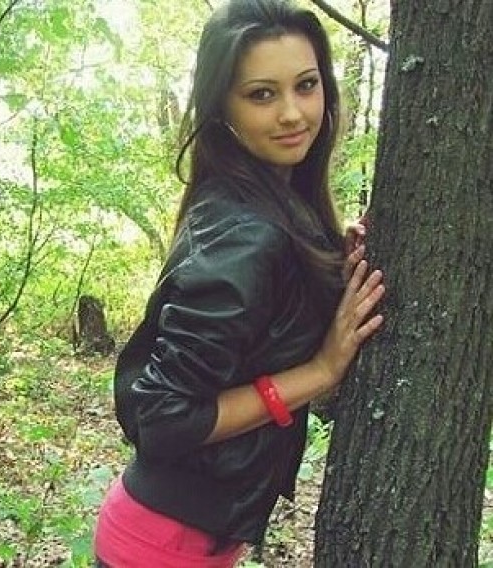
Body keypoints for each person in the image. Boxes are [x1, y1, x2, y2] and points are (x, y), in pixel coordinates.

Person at [94, 0, 385, 565]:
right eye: (262, 94)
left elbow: (258, 335)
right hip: (161, 545)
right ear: (222, 107)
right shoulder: (245, 233)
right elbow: (163, 417)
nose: (292, 113)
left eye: (306, 85)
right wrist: (320, 370)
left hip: (183, 535)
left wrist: (331, 266)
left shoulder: (270, 205)